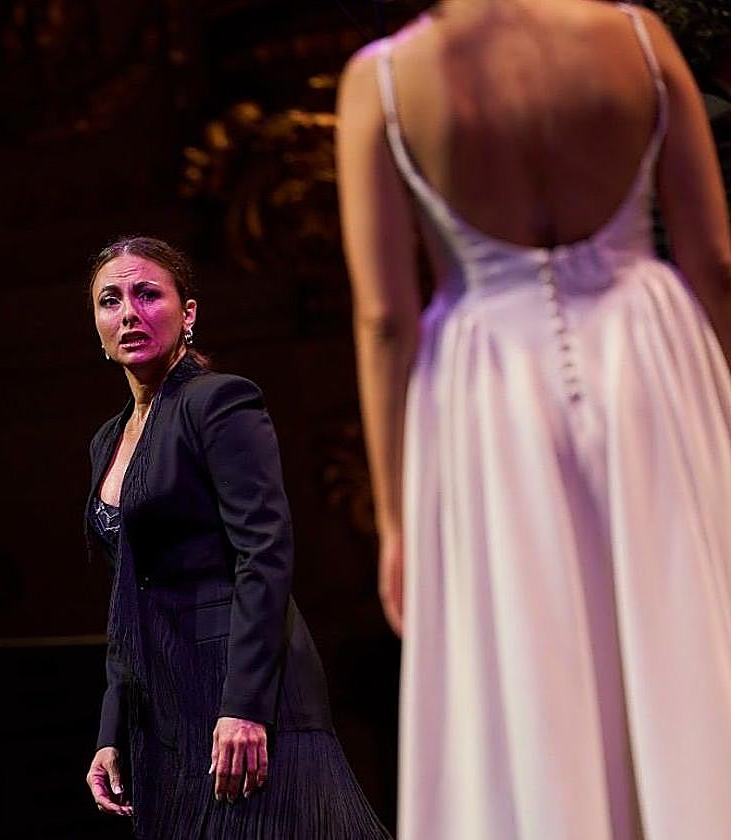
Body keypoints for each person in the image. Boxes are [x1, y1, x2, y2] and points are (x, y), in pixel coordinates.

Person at [336, 0, 731, 838]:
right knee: (682, 637)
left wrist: (396, 519)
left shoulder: (387, 81)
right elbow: (716, 263)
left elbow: (385, 319)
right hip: (648, 358)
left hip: (491, 388)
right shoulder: (636, 38)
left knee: (535, 666)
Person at [82, 236, 390, 839]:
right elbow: (125, 597)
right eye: (110, 300)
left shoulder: (219, 401)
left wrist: (245, 705)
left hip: (243, 691)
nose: (129, 313)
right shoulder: (107, 440)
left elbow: (264, 552)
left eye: (148, 295)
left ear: (187, 313)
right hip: (165, 708)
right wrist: (111, 730)